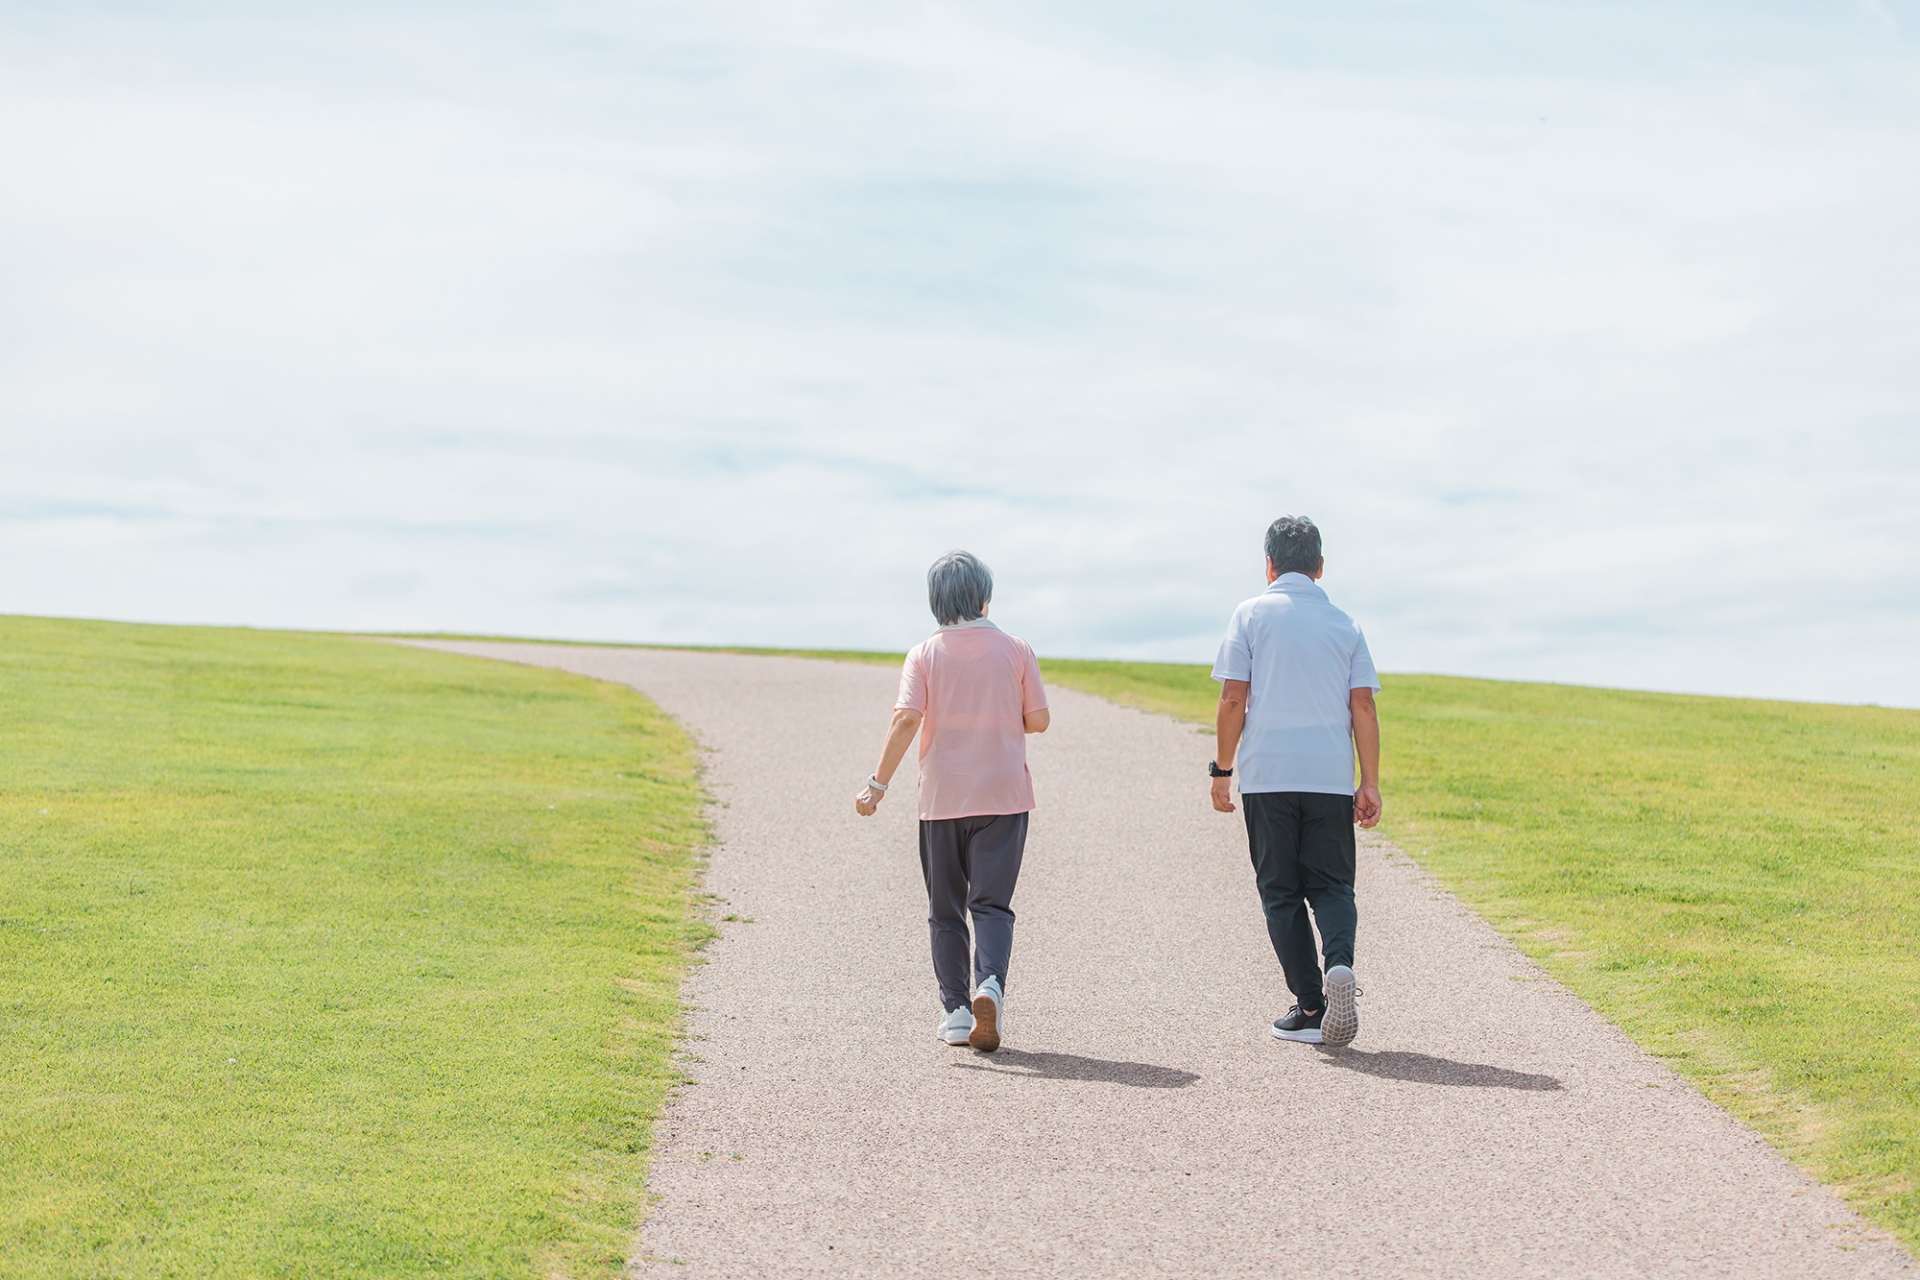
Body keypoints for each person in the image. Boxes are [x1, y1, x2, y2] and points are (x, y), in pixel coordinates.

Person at [855, 551, 1050, 1053]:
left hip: (942, 797)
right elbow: (1039, 720)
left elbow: (906, 720)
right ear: (984, 596)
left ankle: (958, 1013)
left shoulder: (923, 654)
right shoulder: (1016, 648)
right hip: (1004, 796)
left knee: (946, 908)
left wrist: (877, 786)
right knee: (991, 904)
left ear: (935, 601)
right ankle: (990, 985)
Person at [1209, 516, 1381, 1048]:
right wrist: (1369, 782)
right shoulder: (1345, 624)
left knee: (1280, 893)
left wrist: (1221, 770)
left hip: (1269, 776)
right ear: (1320, 567)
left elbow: (1233, 698)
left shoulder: (1250, 615)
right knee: (1332, 886)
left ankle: (1311, 1006)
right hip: (1329, 776)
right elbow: (1363, 706)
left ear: (1269, 565)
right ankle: (1340, 965)